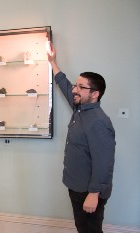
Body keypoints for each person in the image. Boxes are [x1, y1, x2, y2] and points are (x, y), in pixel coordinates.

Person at [47, 43, 116, 233]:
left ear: (94, 94)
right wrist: (53, 62)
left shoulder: (99, 122)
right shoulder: (80, 108)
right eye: (76, 85)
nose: (74, 90)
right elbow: (64, 85)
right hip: (76, 187)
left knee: (90, 230)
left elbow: (104, 162)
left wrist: (94, 194)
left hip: (88, 191)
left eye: (80, 87)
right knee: (82, 227)